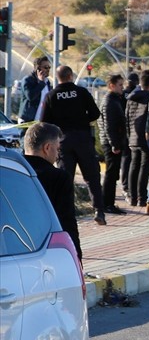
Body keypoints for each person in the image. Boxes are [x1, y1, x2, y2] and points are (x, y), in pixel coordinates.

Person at [40, 65, 106, 225]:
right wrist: (82, 120)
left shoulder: (52, 95)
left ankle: (66, 213)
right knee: (92, 177)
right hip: (83, 139)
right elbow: (96, 113)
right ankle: (99, 211)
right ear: (71, 76)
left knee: (65, 178)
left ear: (58, 77)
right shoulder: (81, 92)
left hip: (63, 141)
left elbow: (44, 122)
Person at [24, 122, 82, 260]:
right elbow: (66, 220)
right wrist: (76, 255)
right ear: (47, 148)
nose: (57, 155)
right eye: (57, 149)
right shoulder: (58, 178)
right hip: (47, 248)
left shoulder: (11, 172)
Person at [125, 70, 149, 213]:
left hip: (132, 136)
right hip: (145, 137)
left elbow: (126, 118)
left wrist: (129, 134)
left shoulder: (130, 98)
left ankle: (132, 197)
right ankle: (142, 197)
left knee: (134, 166)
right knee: (145, 168)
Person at [99, 73, 127, 214]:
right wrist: (114, 144)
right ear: (112, 86)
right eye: (120, 85)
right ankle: (106, 203)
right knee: (111, 173)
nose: (123, 88)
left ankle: (108, 202)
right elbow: (109, 125)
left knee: (113, 172)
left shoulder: (115, 100)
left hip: (112, 141)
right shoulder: (110, 101)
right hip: (111, 143)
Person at [18, 57, 53, 123]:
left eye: (49, 67)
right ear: (38, 69)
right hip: (28, 120)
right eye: (45, 67)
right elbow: (30, 97)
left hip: (41, 120)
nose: (48, 69)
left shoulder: (47, 81)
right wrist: (41, 82)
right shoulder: (28, 80)